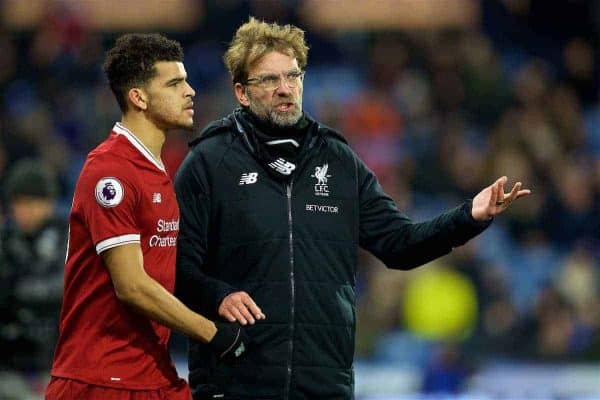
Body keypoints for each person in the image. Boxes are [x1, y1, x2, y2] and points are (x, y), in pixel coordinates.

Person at [174, 18, 531, 400]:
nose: (285, 89)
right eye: (269, 80)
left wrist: (469, 217)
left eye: (293, 76)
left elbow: (399, 244)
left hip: (324, 383)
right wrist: (218, 296)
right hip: (236, 382)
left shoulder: (339, 161)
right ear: (242, 93)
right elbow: (176, 267)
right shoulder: (208, 163)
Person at [45, 33, 247, 400]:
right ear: (138, 97)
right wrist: (212, 333)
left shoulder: (154, 169)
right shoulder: (110, 171)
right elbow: (132, 286)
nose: (190, 91)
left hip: (151, 372)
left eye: (185, 80)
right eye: (174, 83)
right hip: (100, 380)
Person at [0, 159, 66, 398]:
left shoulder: (69, 238)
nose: (26, 211)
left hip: (58, 364)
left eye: (33, 202)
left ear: (49, 203)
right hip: (9, 368)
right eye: (19, 203)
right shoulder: (5, 241)